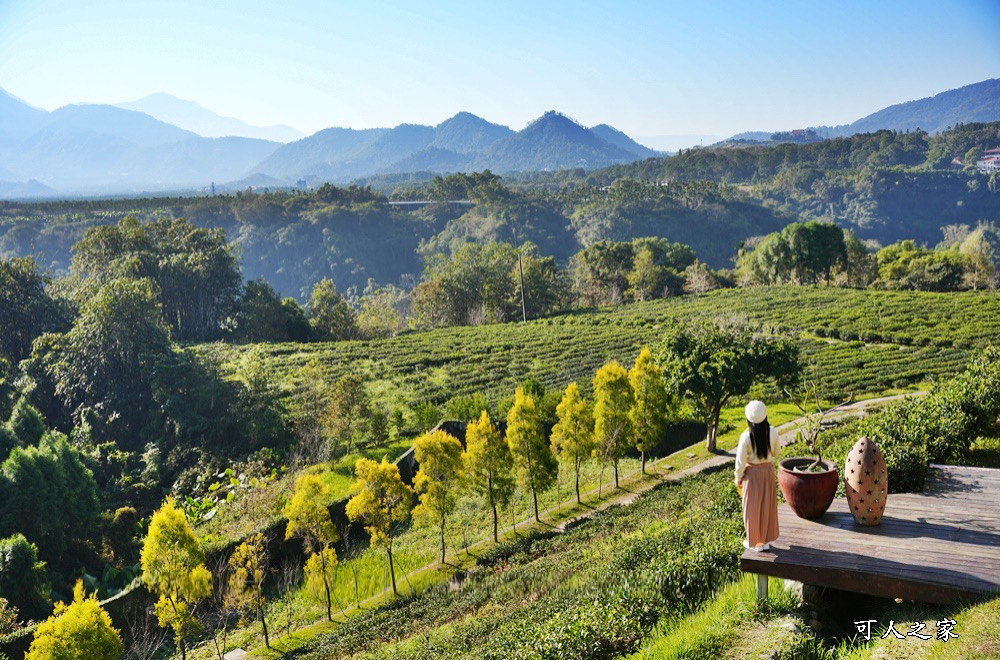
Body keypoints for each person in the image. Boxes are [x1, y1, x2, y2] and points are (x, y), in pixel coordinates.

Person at [734, 400, 780, 552]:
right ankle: (765, 541)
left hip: (752, 475)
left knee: (751, 509)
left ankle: (754, 542)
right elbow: (776, 452)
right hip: (767, 472)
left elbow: (740, 462)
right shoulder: (773, 432)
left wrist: (738, 478)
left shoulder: (745, 437)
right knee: (767, 505)